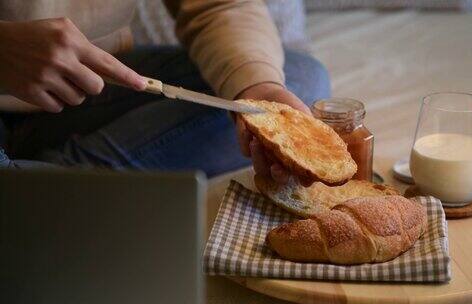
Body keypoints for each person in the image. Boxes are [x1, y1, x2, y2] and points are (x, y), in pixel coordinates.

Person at [0, 0, 330, 183]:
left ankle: (46, 186)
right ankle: (52, 191)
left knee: (299, 78)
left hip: (84, 88)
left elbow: (218, 5)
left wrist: (258, 85)